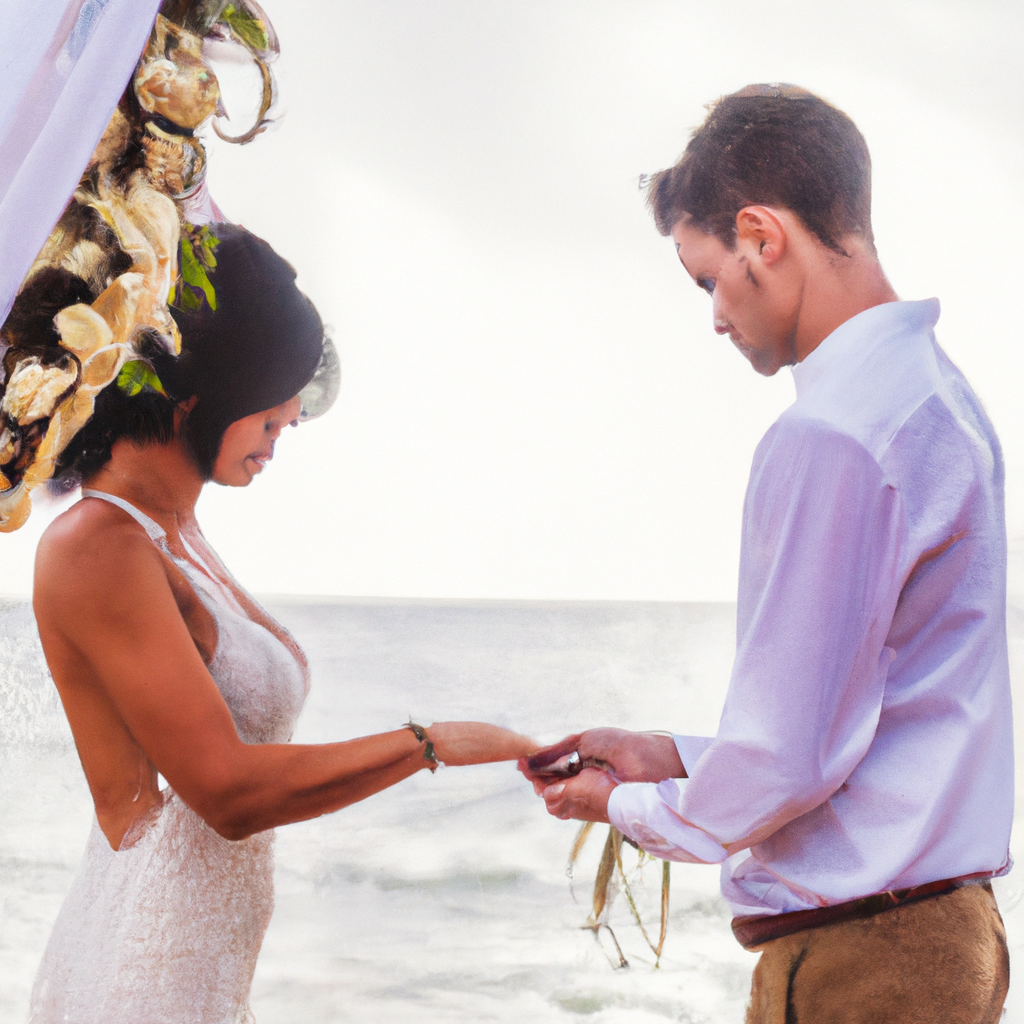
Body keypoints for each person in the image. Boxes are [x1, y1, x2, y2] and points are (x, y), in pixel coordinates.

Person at [523, 84, 1012, 1023]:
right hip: (951, 932)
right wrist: (668, 754)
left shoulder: (834, 434)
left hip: (871, 958)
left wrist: (621, 805)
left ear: (762, 234)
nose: (714, 314)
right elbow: (873, 716)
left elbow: (790, 754)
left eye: (708, 277)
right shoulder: (940, 400)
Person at [24, 224, 536, 1023]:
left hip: (201, 971)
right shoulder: (97, 544)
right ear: (199, 397)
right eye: (268, 416)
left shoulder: (177, 531)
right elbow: (223, 791)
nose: (287, 427)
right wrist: (430, 743)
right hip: (141, 975)